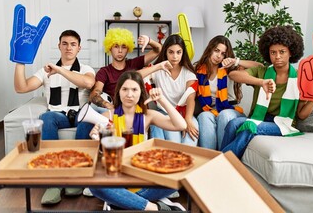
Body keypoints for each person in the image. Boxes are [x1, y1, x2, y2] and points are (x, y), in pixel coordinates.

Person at [14, 29, 96, 204]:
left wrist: (58, 69)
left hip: (80, 113)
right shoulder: (45, 72)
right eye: (64, 43)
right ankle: (55, 182)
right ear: (59, 46)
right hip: (58, 115)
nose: (68, 48)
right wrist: (20, 60)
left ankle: (76, 177)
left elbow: (88, 83)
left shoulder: (86, 69)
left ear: (79, 48)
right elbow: (21, 87)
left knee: (87, 117)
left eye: (73, 44)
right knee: (47, 117)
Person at [86, 71, 187, 211]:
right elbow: (99, 159)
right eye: (125, 89)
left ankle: (123, 202)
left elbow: (181, 125)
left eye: (134, 89)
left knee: (181, 177)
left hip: (143, 179)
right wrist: (95, 139)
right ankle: (155, 208)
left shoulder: (148, 116)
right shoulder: (107, 116)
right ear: (118, 91)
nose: (129, 94)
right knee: (95, 186)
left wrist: (162, 99)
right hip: (116, 179)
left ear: (141, 92)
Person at [220, 25, 313, 159]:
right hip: (260, 117)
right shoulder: (263, 72)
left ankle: (220, 161)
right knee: (233, 123)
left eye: (282, 52)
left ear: (291, 52)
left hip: (282, 124)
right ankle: (223, 159)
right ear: (268, 53)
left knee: (250, 127)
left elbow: (301, 114)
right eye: (273, 52)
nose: (277, 56)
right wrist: (261, 82)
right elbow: (234, 75)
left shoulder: (300, 79)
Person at [195, 35, 263, 150]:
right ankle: (210, 157)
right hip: (209, 109)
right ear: (210, 49)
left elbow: (260, 67)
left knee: (224, 114)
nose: (218, 56)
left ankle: (223, 155)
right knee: (203, 116)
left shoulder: (230, 69)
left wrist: (235, 61)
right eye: (216, 50)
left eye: (223, 54)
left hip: (231, 110)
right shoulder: (198, 69)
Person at [144, 34, 199, 146]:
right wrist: (157, 67)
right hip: (165, 113)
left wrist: (188, 119)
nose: (175, 56)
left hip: (185, 113)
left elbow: (190, 98)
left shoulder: (188, 74)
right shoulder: (158, 70)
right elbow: (136, 76)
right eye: (171, 52)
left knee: (190, 143)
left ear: (183, 53)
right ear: (165, 52)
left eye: (178, 52)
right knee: (175, 144)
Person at [89, 28, 162, 111]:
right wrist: (107, 105)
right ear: (110, 48)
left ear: (128, 49)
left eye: (123, 47)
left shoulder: (135, 63)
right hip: (117, 114)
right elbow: (94, 94)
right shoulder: (104, 71)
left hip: (138, 112)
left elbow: (158, 50)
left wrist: (149, 40)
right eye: (116, 46)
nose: (120, 51)